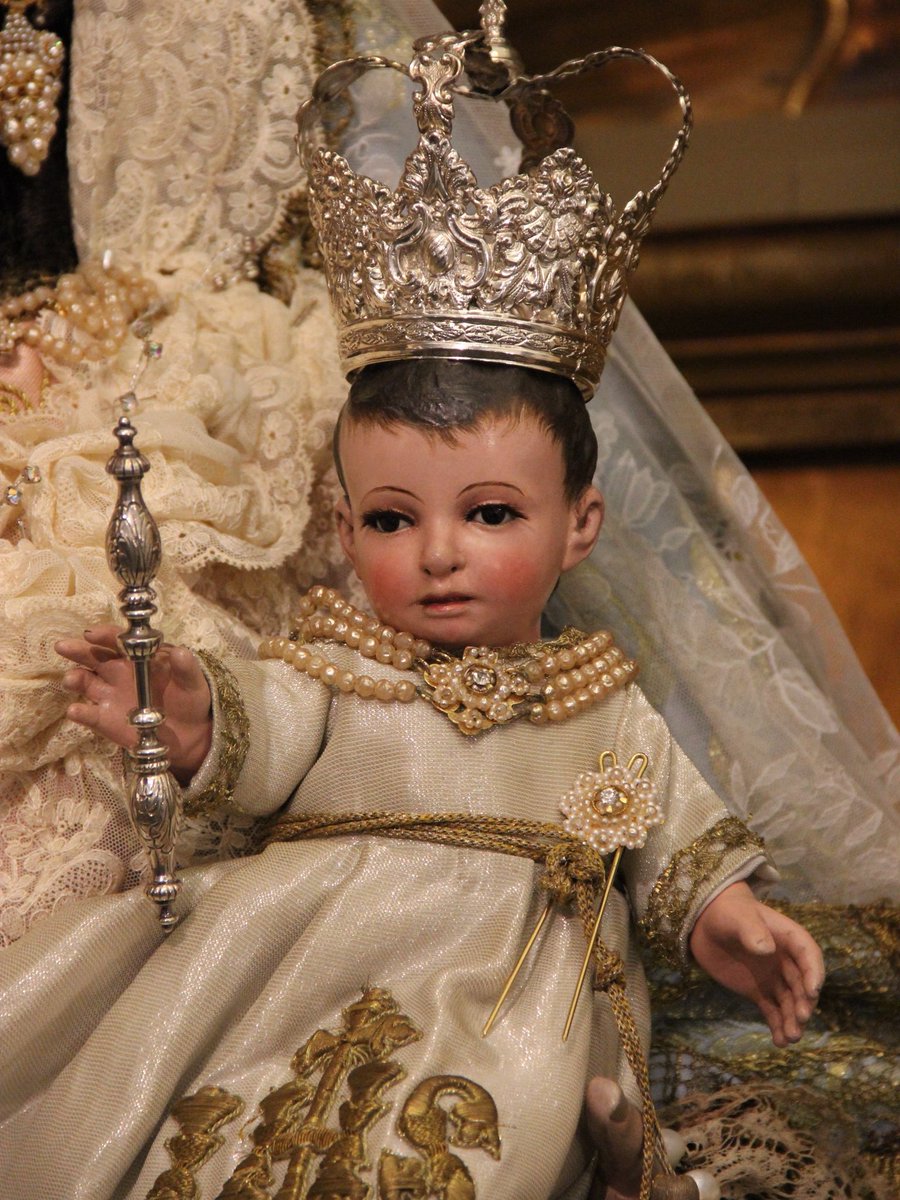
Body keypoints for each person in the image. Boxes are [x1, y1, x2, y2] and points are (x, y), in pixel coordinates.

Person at [13, 353, 819, 1200]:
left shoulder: (603, 706)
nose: (439, 553)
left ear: (580, 525)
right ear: (345, 532)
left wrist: (722, 913)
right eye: (395, 521)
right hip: (308, 956)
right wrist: (196, 716)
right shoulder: (337, 671)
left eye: (491, 514)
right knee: (240, 1113)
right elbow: (270, 727)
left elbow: (671, 828)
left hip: (511, 983)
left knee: (502, 1122)